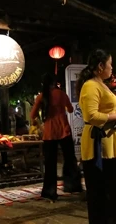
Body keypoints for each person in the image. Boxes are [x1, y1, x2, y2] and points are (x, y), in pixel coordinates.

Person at [76, 49, 116, 224]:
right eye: (110, 64)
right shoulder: (90, 85)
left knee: (110, 191)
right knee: (100, 192)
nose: (112, 68)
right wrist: (115, 116)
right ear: (100, 66)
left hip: (108, 140)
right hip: (97, 143)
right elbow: (91, 115)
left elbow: (103, 111)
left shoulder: (101, 83)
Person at [30, 73, 82, 201]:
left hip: (49, 132)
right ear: (55, 83)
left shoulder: (41, 97)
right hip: (64, 130)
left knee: (50, 163)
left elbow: (32, 115)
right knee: (69, 159)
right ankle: (72, 186)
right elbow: (70, 109)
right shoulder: (61, 94)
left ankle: (49, 191)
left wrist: (40, 125)